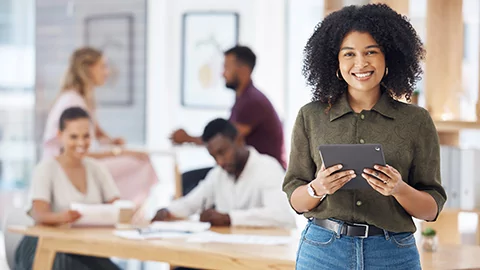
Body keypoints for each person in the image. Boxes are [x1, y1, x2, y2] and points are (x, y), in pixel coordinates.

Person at [283, 4, 447, 270]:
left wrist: (398, 189)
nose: (360, 63)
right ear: (335, 62)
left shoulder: (416, 121)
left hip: (392, 254)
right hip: (323, 252)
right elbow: (296, 199)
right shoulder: (310, 117)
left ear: (389, 58)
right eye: (349, 54)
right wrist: (318, 188)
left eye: (371, 52)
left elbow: (431, 209)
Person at [42, 47, 158, 208]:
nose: (107, 72)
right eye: (103, 66)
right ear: (89, 68)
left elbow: (95, 131)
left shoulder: (81, 99)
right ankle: (124, 214)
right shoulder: (73, 101)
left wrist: (112, 141)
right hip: (66, 166)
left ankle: (120, 212)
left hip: (77, 161)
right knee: (140, 164)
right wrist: (123, 152)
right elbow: (80, 150)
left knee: (138, 161)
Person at [15, 107, 121, 270]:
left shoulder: (97, 169)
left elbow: (118, 207)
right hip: (44, 246)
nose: (81, 143)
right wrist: (63, 218)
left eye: (86, 136)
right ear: (60, 136)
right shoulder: (46, 169)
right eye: (73, 137)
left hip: (84, 248)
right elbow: (39, 214)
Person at [172, 46, 286, 195]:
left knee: (186, 183)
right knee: (189, 184)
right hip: (243, 169)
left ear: (243, 70)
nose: (222, 73)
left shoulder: (252, 101)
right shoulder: (243, 99)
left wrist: (188, 138)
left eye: (226, 67)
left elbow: (224, 139)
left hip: (259, 173)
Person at [153, 118, 296, 229]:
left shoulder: (268, 168)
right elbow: (191, 203)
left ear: (239, 140)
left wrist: (229, 218)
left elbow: (281, 216)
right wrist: (167, 211)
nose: (219, 161)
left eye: (222, 152)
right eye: (214, 156)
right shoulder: (218, 174)